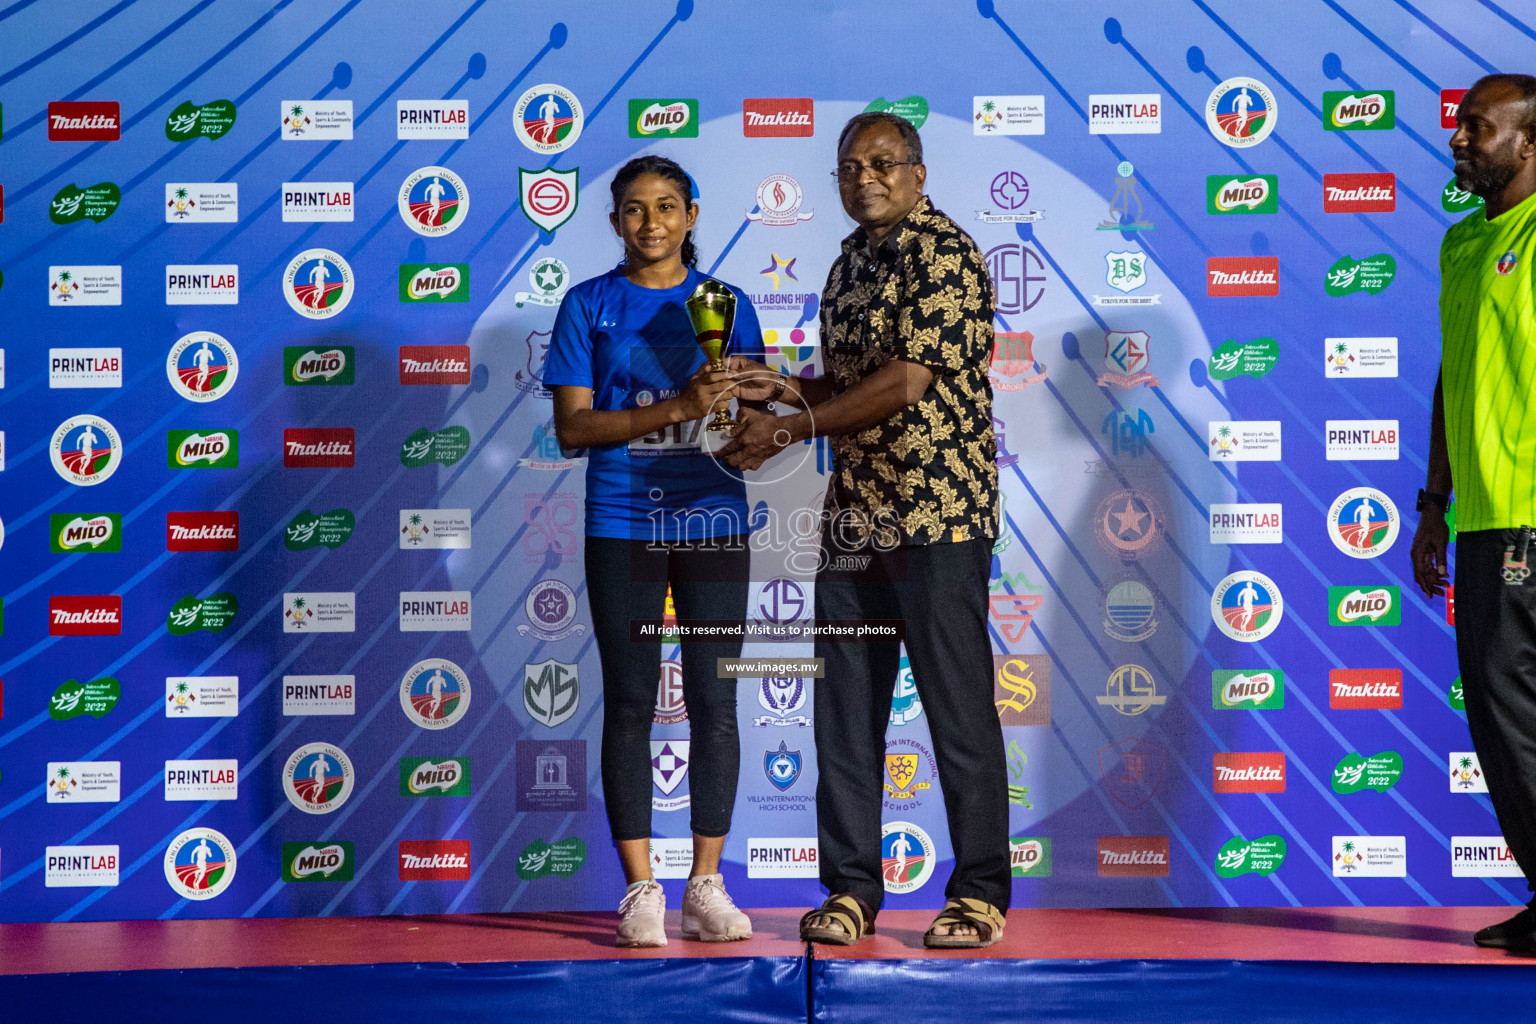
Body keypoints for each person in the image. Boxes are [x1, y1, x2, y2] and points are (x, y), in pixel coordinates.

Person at [722, 111, 1011, 948]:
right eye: (849, 166)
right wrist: (783, 392)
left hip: (938, 514)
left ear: (918, 172)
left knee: (958, 711)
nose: (865, 177)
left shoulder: (945, 254)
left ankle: (979, 893)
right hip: (854, 516)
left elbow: (907, 383)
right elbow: (848, 386)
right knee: (844, 713)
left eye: (882, 162)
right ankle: (851, 891)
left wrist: (792, 430)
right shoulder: (848, 263)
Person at [546, 155, 764, 948]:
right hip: (622, 522)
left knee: (716, 698)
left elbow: (754, 421)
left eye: (667, 206)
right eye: (634, 210)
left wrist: (747, 423)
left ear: (693, 214)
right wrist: (676, 405)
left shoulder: (726, 305)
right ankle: (642, 889)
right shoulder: (588, 306)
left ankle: (706, 886)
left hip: (711, 521)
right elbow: (573, 430)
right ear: (614, 223)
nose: (652, 223)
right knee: (633, 701)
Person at [1412, 73, 1536, 951]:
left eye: (1479, 127)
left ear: (1529, 143)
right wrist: (1432, 503)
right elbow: (1451, 376)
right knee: (1499, 714)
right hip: (1483, 519)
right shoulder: (1463, 244)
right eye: (1460, 125)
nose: (1460, 138)